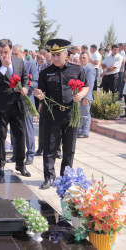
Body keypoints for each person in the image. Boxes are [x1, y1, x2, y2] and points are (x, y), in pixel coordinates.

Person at [33, 38, 89, 189]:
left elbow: (86, 86)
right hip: (52, 115)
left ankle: (66, 178)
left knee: (69, 149)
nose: (56, 58)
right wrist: (38, 95)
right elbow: (41, 93)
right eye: (53, 55)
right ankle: (49, 178)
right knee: (50, 147)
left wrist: (80, 95)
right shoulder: (46, 72)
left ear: (66, 54)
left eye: (59, 55)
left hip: (71, 114)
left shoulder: (76, 69)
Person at [0, 39, 31, 177]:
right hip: (0, 107)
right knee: (1, 136)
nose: (3, 55)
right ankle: (0, 165)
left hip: (17, 104)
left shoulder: (19, 62)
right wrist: (3, 68)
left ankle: (20, 164)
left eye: (6, 52)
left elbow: (25, 79)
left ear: (11, 50)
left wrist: (25, 87)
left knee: (20, 135)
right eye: (0, 52)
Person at [8, 44, 38, 165]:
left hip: (26, 100)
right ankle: (16, 153)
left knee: (28, 127)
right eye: (13, 54)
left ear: (23, 54)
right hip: (14, 101)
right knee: (14, 129)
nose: (14, 56)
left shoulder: (30, 65)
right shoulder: (11, 66)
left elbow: (36, 81)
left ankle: (30, 153)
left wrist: (27, 87)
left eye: (16, 54)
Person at [78, 52, 96, 138]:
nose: (82, 59)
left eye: (84, 58)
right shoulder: (79, 67)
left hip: (85, 96)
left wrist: (86, 97)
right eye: (81, 57)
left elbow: (90, 84)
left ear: (88, 59)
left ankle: (85, 132)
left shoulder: (90, 69)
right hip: (79, 95)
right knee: (79, 114)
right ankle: (79, 130)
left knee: (85, 114)